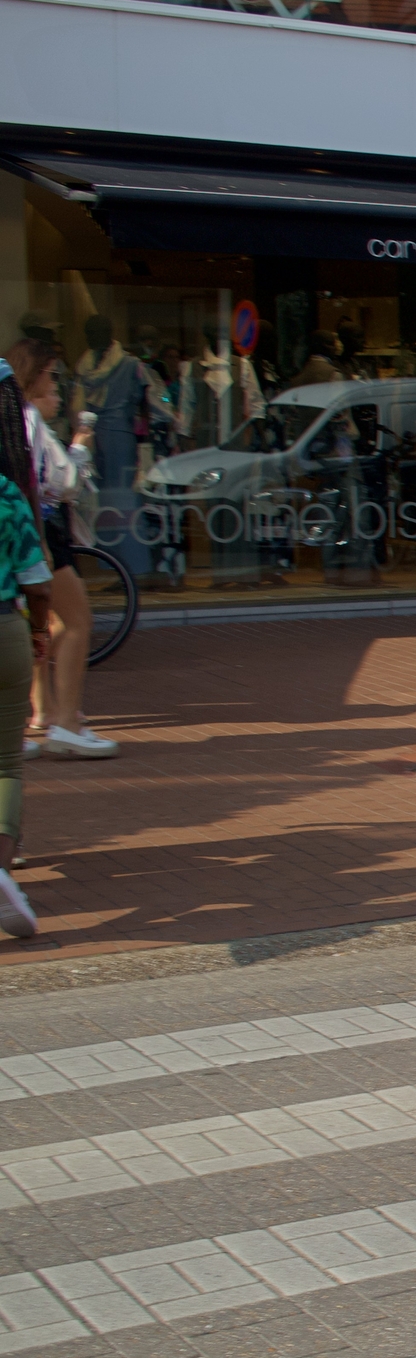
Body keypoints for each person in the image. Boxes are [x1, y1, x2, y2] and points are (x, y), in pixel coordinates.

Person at [7, 341, 113, 759]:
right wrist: (82, 445)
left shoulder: (10, 418)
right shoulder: (30, 420)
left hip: (15, 529)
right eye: (52, 376)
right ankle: (66, 721)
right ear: (33, 378)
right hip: (41, 529)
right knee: (75, 621)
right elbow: (63, 481)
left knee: (29, 621)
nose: (58, 385)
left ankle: (40, 712)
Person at [0, 357, 52, 936]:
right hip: (5, 630)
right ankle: (2, 874)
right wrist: (39, 630)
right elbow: (37, 581)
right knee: (4, 763)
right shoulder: (8, 495)